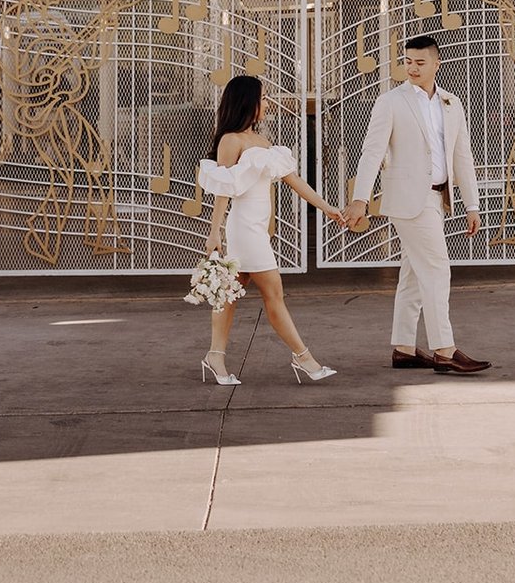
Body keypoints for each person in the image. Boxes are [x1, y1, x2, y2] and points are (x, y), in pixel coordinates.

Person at [343, 35, 490, 375]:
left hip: (439, 198)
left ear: (437, 64)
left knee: (413, 274)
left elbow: (462, 157)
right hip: (410, 199)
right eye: (408, 61)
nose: (412, 67)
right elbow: (372, 152)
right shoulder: (391, 102)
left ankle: (404, 348)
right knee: (437, 269)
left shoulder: (452, 103)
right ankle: (445, 349)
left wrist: (472, 204)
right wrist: (360, 199)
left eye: (420, 62)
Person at [198, 74, 344, 385]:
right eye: (263, 98)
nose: (268, 103)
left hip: (258, 230)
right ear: (248, 102)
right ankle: (303, 357)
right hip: (243, 231)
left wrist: (327, 208)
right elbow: (224, 190)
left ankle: (215, 356)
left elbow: (295, 182)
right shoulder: (230, 140)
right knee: (273, 294)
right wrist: (214, 233)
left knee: (228, 295)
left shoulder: (264, 143)